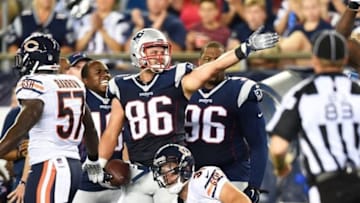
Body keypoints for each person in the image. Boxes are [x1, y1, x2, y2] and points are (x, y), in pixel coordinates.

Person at [98, 27, 278, 203]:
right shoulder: (122, 86)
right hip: (136, 173)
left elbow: (214, 66)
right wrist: (98, 163)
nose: (159, 56)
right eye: (153, 51)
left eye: (162, 51)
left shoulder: (177, 79)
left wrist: (244, 48)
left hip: (171, 171)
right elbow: (112, 132)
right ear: (137, 53)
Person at [0, 33, 103, 203]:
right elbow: (89, 127)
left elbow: (30, 116)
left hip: (51, 165)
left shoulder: (34, 83)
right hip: (72, 164)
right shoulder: (73, 84)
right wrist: (93, 159)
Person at [267, 30, 360, 203]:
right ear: (345, 60)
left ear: (314, 59)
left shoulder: (302, 94)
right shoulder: (356, 92)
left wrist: (281, 168)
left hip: (325, 187)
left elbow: (278, 147)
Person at [184, 41, 268, 203]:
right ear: (199, 62)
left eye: (218, 59)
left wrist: (254, 186)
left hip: (232, 176)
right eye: (207, 59)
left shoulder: (238, 91)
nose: (213, 64)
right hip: (191, 178)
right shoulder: (184, 90)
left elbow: (258, 144)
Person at [72, 60, 125, 203]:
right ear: (85, 80)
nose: (105, 75)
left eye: (107, 72)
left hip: (118, 178)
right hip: (85, 181)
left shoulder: (121, 97)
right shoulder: (78, 100)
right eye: (98, 73)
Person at [152, 143, 252, 203]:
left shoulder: (203, 178)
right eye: (162, 171)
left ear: (185, 166)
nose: (166, 175)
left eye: (170, 167)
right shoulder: (175, 201)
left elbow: (241, 200)